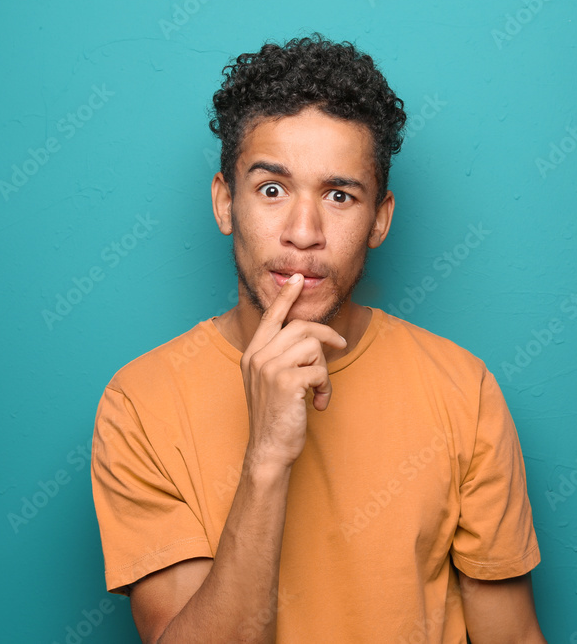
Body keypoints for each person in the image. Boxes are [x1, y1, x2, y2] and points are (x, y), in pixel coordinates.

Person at [90, 32, 545, 643]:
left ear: (379, 219)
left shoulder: (465, 390)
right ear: (226, 203)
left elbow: (510, 638)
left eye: (338, 195)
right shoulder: (139, 404)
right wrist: (267, 458)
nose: (303, 233)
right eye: (271, 190)